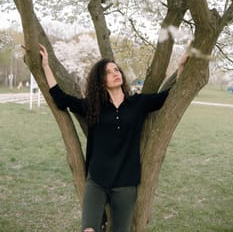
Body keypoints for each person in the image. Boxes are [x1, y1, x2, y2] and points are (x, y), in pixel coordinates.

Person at [39, 44, 186, 232]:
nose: (115, 73)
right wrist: (45, 66)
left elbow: (169, 96)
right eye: (109, 72)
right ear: (101, 81)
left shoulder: (138, 103)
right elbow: (60, 98)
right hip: (97, 180)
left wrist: (181, 68)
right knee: (89, 229)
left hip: (126, 182)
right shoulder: (93, 106)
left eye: (116, 70)